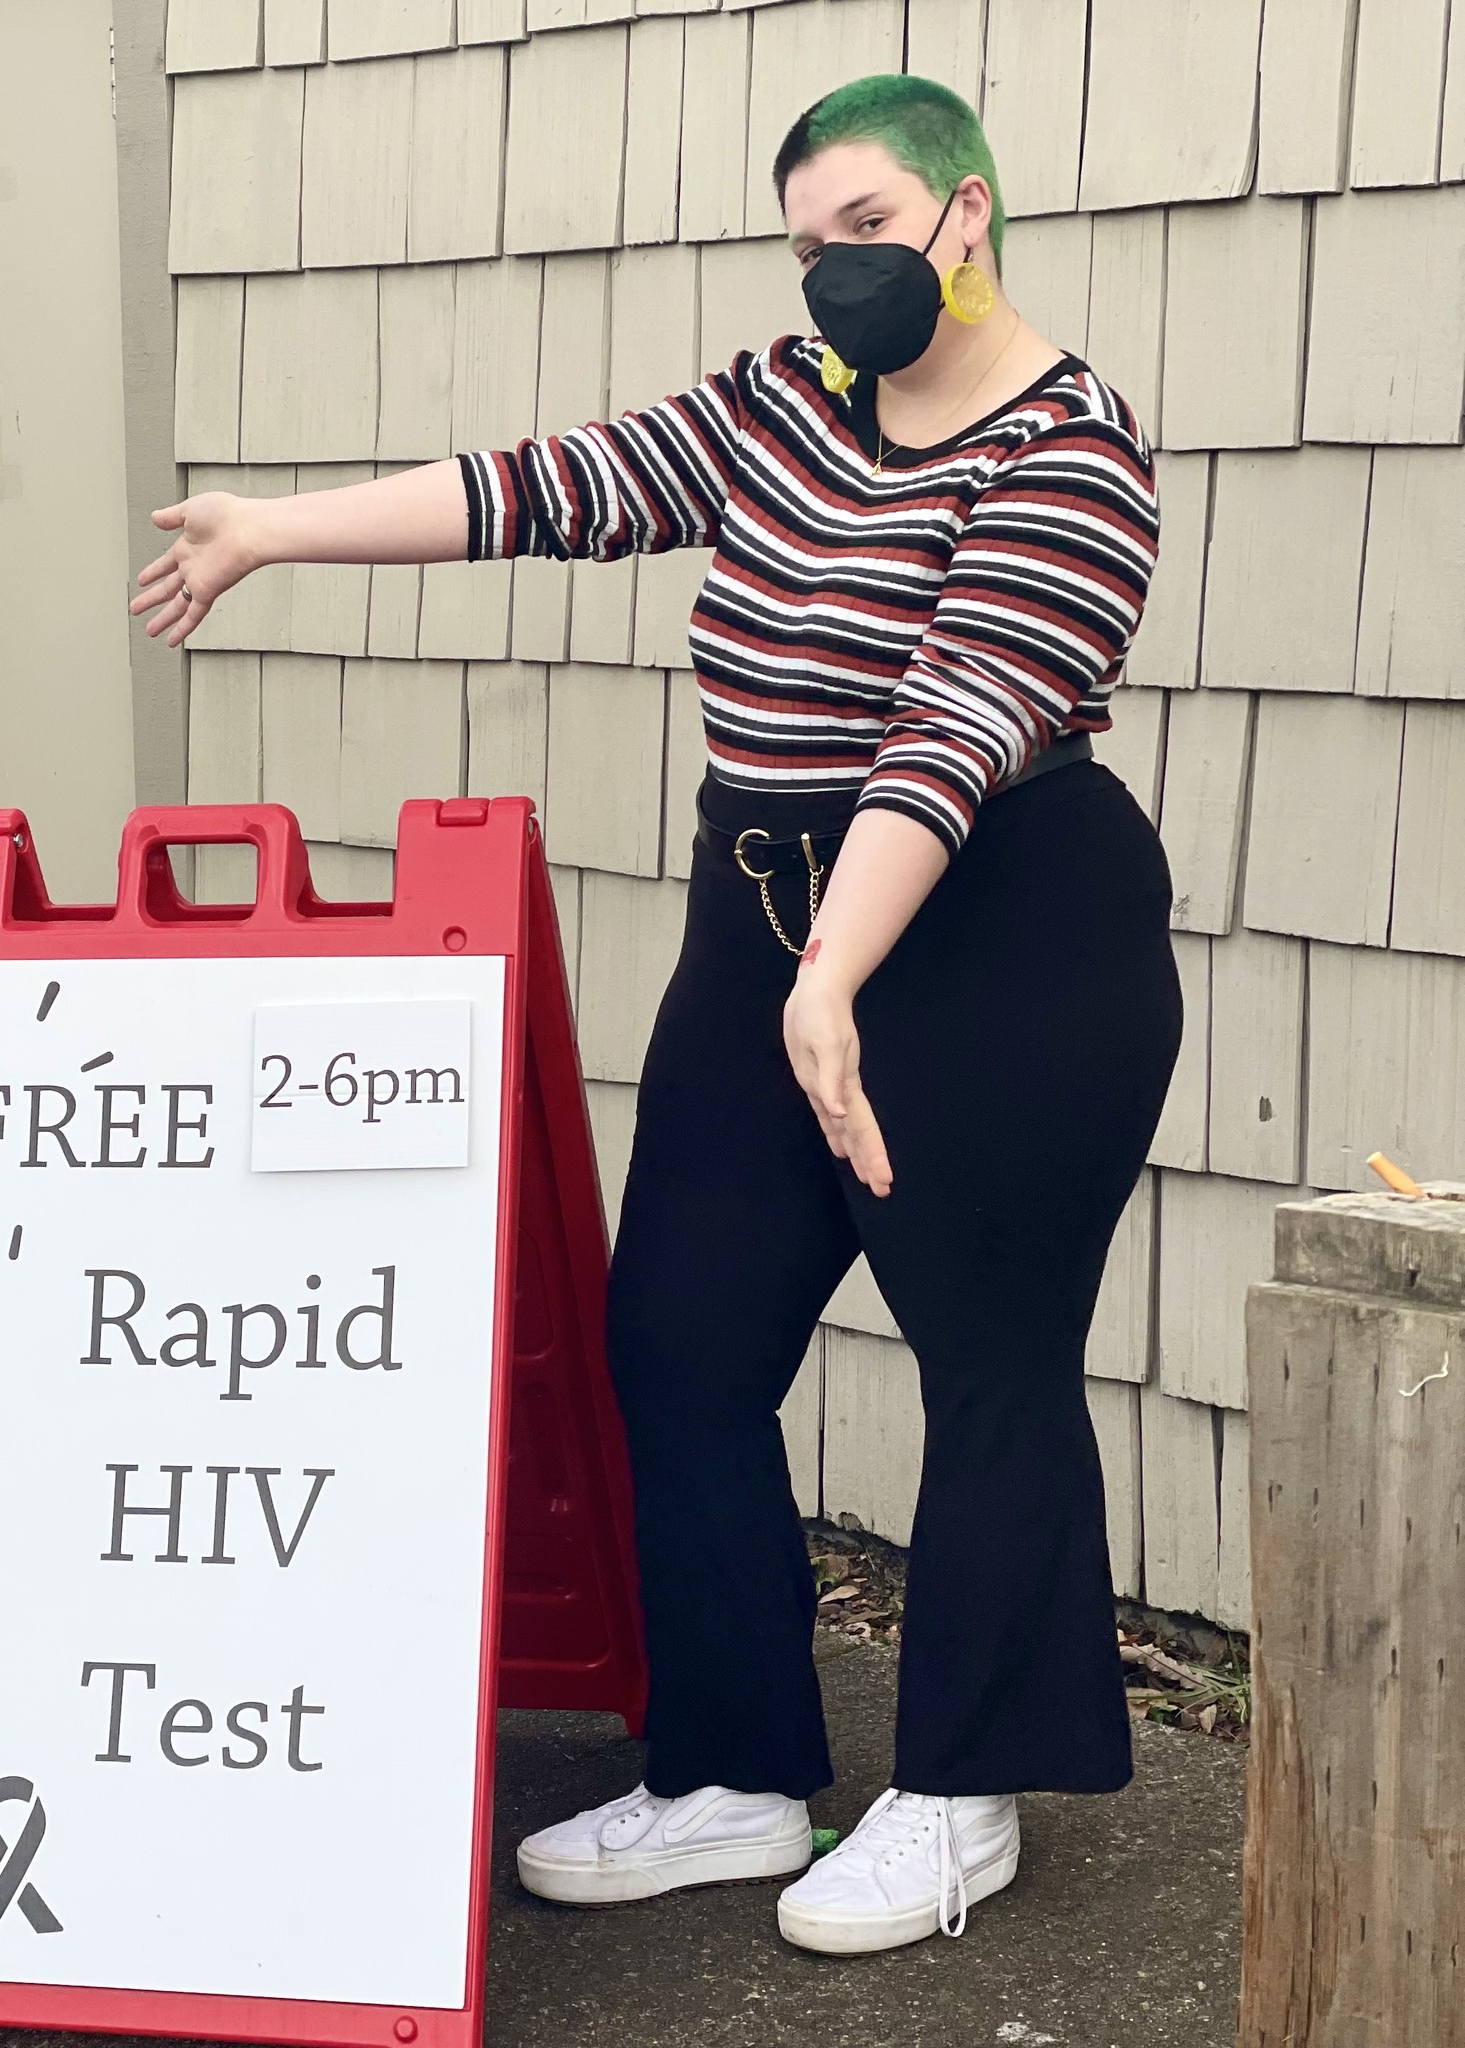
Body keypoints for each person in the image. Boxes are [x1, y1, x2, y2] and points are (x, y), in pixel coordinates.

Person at [130, 73, 1180, 1958]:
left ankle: (958, 1797)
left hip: (1004, 934)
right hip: (769, 916)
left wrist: (841, 979)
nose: (830, 272)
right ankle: (733, 1775)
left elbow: (962, 715)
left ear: (969, 210)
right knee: (678, 1345)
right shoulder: (788, 404)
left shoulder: (1073, 448)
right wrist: (270, 528)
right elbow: (556, 486)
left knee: (989, 1358)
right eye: (805, 244)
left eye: (863, 228)